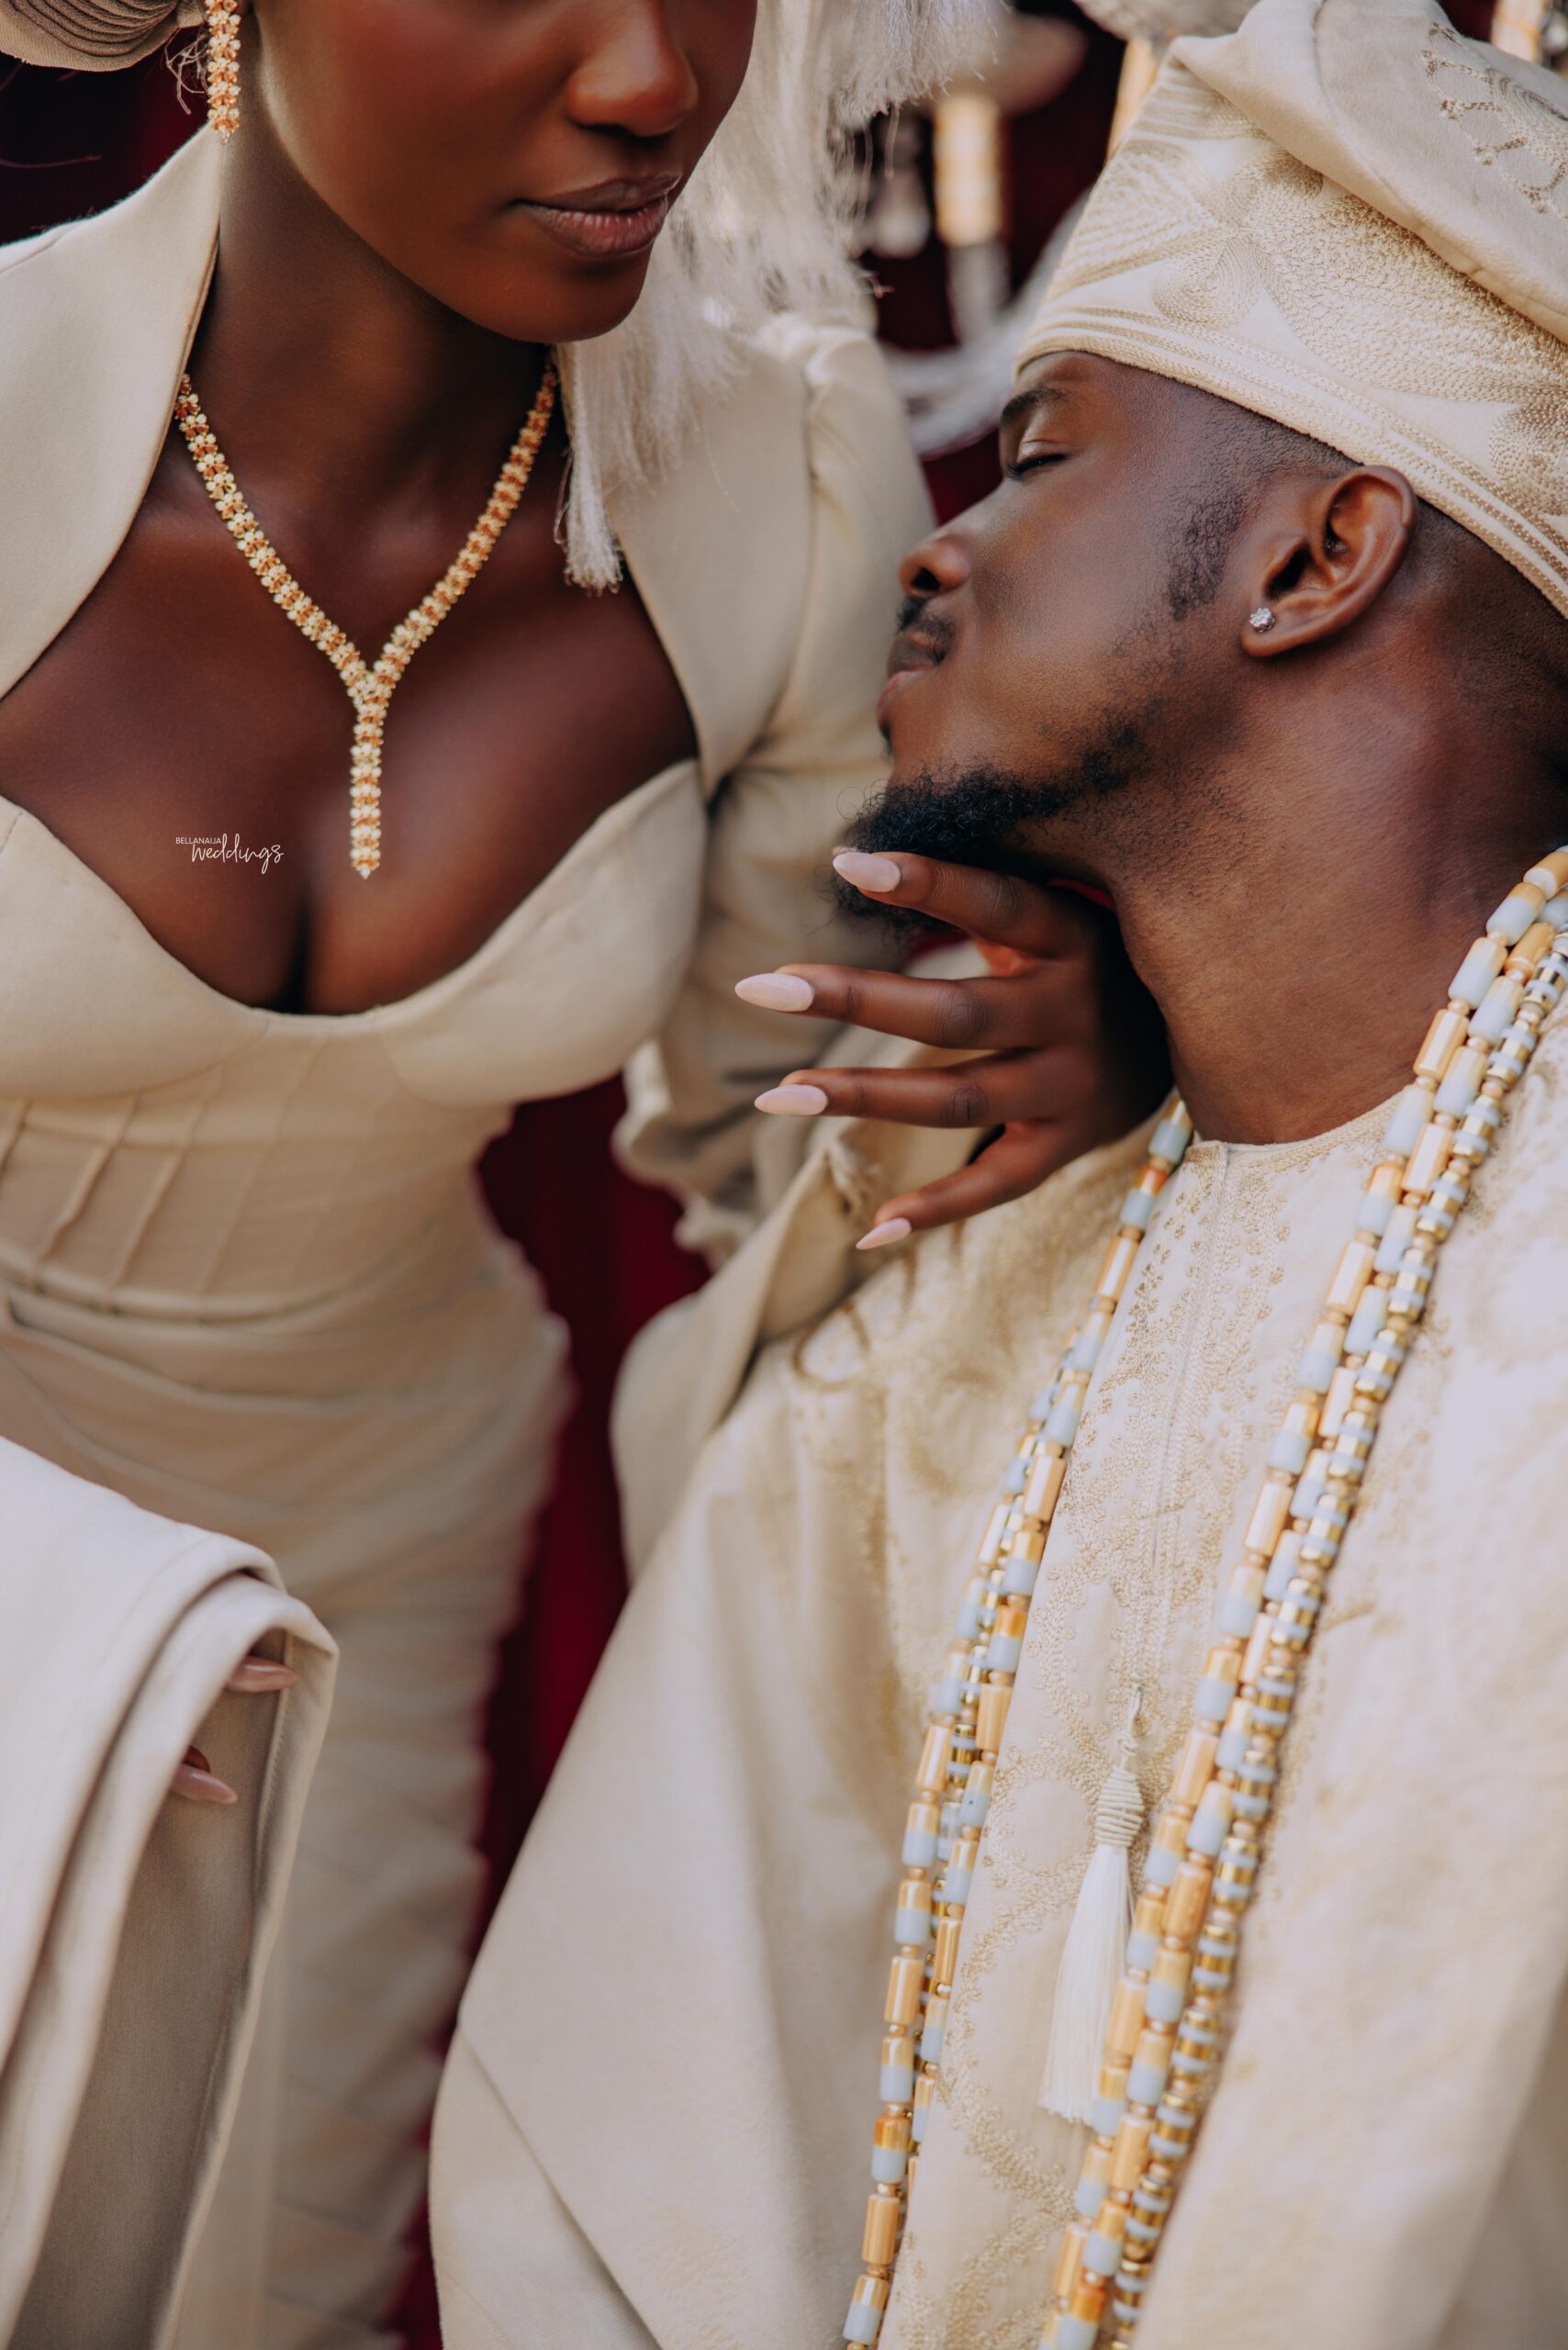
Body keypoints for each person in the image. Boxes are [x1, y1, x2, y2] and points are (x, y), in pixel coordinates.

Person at [0, 2, 1175, 2341]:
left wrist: (1022, 1076)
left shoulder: (792, 479)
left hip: (379, 1548)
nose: (651, 77)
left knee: (267, 2266)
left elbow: (794, 1165)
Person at [430, 5, 1568, 2346]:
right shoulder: (970, 1297)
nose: (931, 540)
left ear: (1319, 553)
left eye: (1041, 457)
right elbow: (612, 2123)